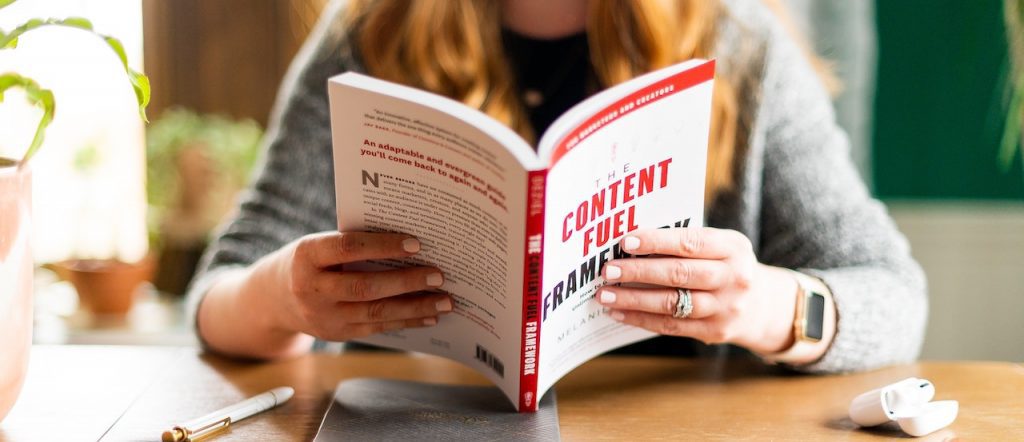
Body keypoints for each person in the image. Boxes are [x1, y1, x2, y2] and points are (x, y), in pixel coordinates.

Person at [187, 0, 926, 373]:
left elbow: (895, 298)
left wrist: (767, 305)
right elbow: (214, 300)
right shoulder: (369, 34)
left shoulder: (738, 43)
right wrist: (283, 294)